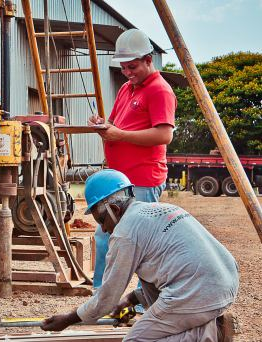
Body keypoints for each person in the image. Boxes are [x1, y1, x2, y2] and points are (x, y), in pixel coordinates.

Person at [41, 169, 239, 341]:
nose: (104, 228)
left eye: (102, 220)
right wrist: (132, 298)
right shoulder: (162, 209)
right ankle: (197, 323)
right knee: (147, 279)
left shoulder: (125, 233)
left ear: (115, 209)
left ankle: (211, 332)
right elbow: (171, 267)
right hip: (225, 282)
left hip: (201, 293)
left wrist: (67, 320)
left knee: (136, 339)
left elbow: (106, 298)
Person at [89, 29, 177, 288]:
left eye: (133, 66)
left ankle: (141, 298)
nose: (127, 72)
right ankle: (100, 294)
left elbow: (164, 135)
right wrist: (103, 125)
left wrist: (120, 135)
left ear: (149, 60)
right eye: (124, 67)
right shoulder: (127, 88)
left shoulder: (160, 90)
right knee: (104, 236)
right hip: (119, 180)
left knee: (142, 241)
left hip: (143, 178)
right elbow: (115, 124)